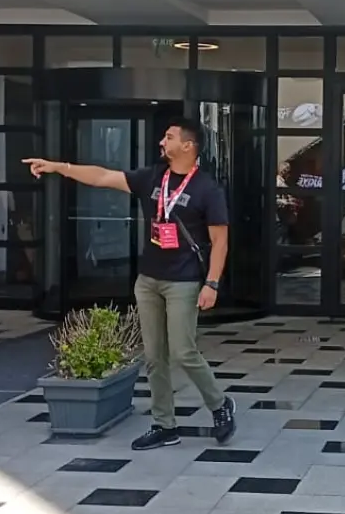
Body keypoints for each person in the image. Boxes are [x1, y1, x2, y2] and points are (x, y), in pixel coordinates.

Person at [25, 118, 235, 448]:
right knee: (153, 356)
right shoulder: (153, 177)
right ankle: (164, 424)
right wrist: (58, 167)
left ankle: (220, 405)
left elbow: (220, 242)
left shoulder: (207, 189)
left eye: (169, 137)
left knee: (183, 351)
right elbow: (102, 177)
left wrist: (212, 283)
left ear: (188, 146)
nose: (161, 141)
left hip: (183, 282)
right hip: (148, 280)